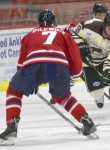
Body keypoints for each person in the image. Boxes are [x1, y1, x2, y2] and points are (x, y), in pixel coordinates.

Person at [0, 9, 97, 145]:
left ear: (39, 22)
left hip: (35, 64)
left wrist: (29, 82)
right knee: (62, 96)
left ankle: (11, 128)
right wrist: (75, 72)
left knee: (14, 91)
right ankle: (86, 121)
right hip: (56, 65)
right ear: (54, 22)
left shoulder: (30, 34)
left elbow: (22, 61)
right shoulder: (63, 33)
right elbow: (74, 56)